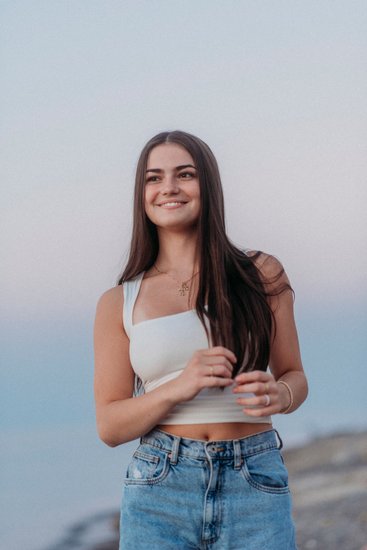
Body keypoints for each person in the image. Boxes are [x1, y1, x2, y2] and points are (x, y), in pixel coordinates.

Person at [93, 130, 308, 549]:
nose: (169, 188)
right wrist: (180, 385)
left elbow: (295, 375)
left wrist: (281, 395)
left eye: (184, 174)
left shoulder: (260, 274)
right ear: (142, 195)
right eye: (154, 178)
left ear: (207, 185)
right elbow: (110, 426)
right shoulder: (118, 301)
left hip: (255, 478)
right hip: (160, 485)